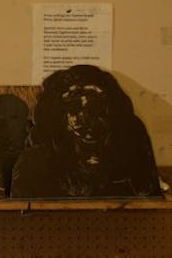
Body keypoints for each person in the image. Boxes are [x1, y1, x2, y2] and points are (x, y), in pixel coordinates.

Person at [11, 64, 162, 198]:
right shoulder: (35, 162)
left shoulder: (131, 146)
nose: (86, 119)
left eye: (96, 107)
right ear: (58, 114)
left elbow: (147, 195)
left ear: (113, 110)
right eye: (74, 108)